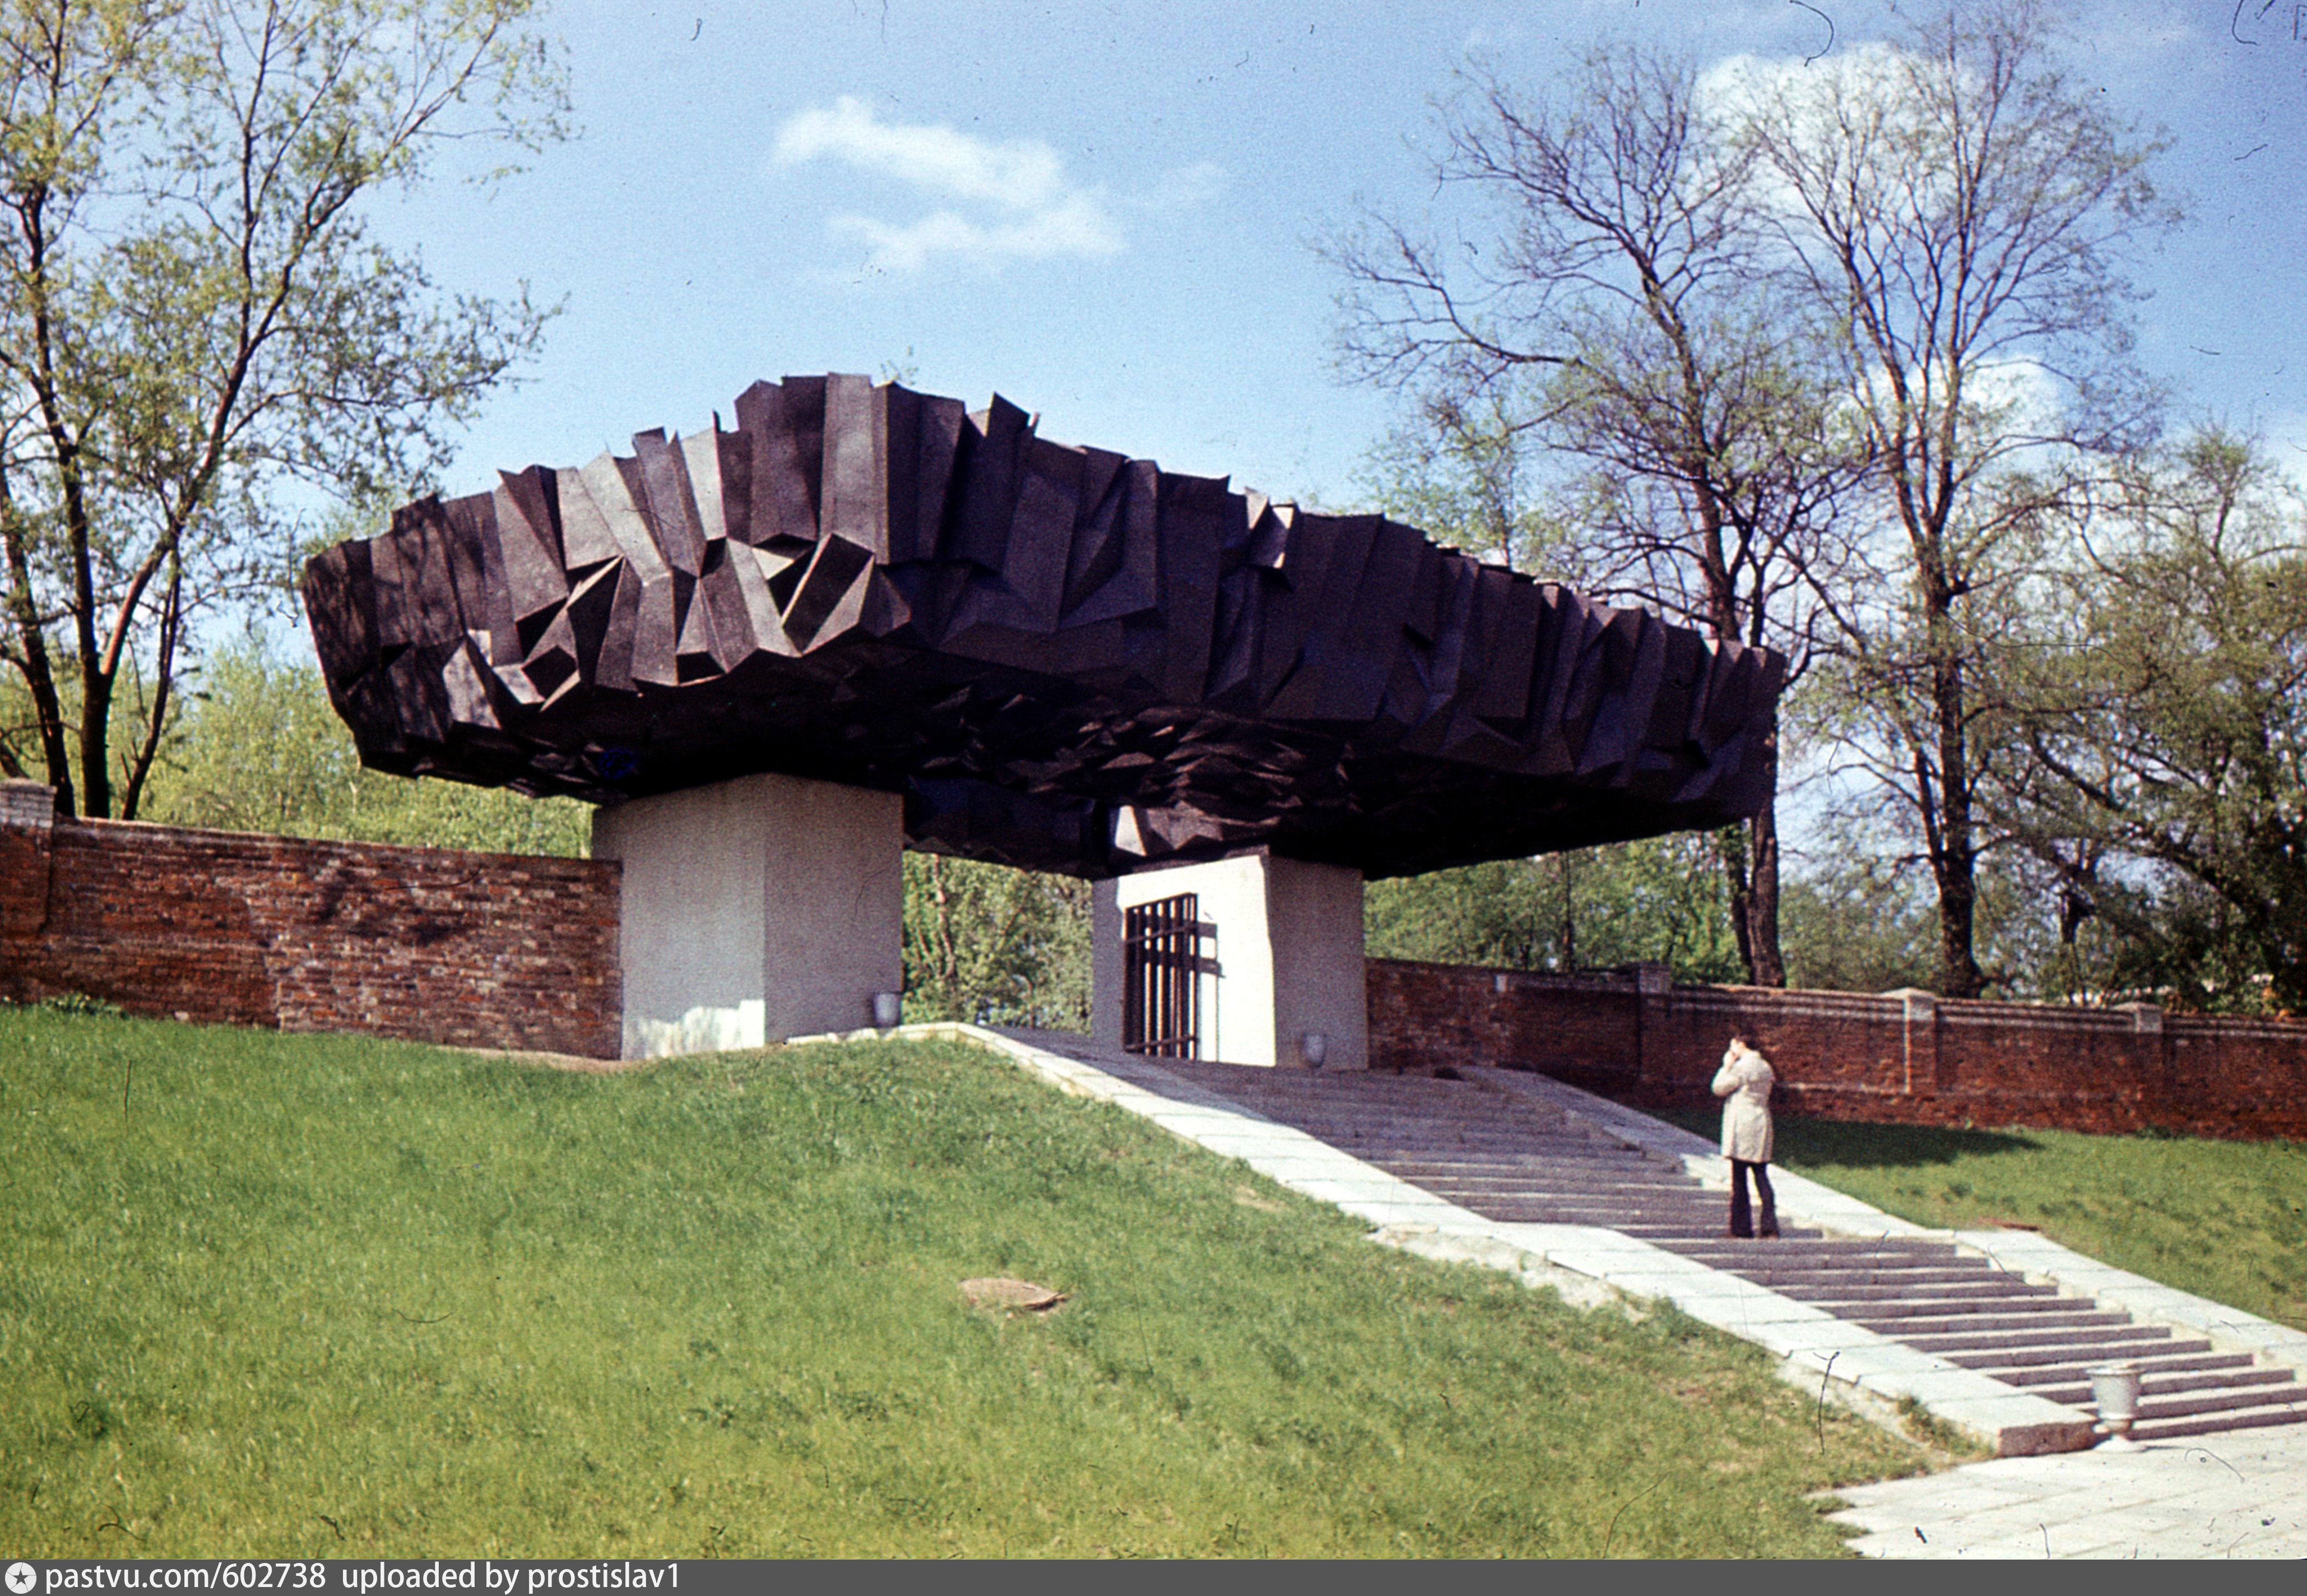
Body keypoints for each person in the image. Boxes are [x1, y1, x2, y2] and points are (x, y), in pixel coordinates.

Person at [1712, 1036, 1779, 1238]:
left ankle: (1741, 1228)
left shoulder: (1742, 1068)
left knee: (1739, 1178)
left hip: (1743, 1125)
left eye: (1733, 1045)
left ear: (1742, 1045)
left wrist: (1726, 1066)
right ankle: (1770, 1227)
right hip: (1761, 1122)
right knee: (1761, 1175)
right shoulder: (1766, 1067)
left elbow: (1718, 1088)